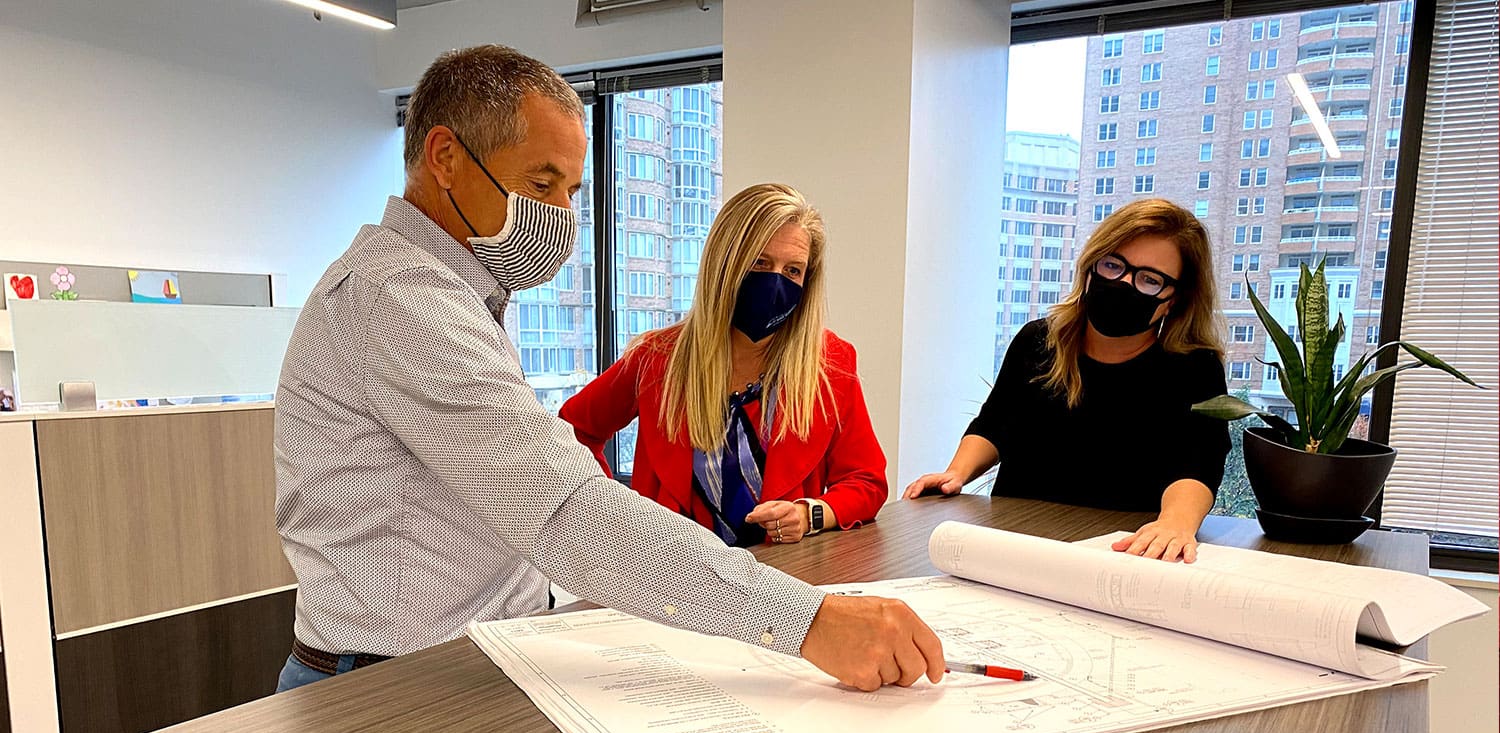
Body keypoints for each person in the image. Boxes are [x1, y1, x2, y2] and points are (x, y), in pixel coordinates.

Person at [273, 45, 943, 694]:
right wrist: (811, 622)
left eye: (570, 189)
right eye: (542, 183)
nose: (562, 215)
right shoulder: (402, 299)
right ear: (445, 157)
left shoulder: (462, 296)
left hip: (477, 654)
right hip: (390, 680)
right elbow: (563, 504)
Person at [560, 184, 886, 548]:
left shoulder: (830, 364)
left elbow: (866, 481)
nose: (775, 281)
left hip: (782, 581)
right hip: (673, 577)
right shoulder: (657, 358)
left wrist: (809, 514)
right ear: (725, 263)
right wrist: (613, 513)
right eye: (760, 263)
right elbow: (573, 432)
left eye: (793, 270)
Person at [904, 199, 1230, 563]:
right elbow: (995, 424)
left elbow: (1199, 462)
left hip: (1121, 555)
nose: (1123, 283)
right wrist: (956, 473)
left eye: (1149, 279)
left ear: (1174, 299)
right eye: (1113, 265)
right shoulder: (1038, 341)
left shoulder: (1193, 368)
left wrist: (1176, 523)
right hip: (1017, 544)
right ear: (1091, 266)